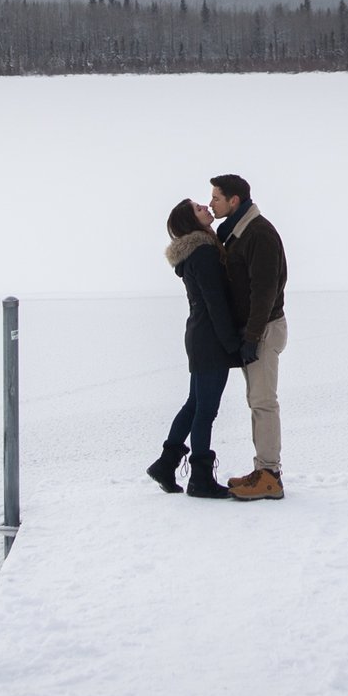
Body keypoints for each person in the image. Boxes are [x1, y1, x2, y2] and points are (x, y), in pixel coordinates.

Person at [147, 198, 244, 499]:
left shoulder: (199, 250)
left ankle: (166, 464)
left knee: (194, 403)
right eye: (198, 208)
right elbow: (216, 303)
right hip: (210, 339)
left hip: (201, 336)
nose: (205, 207)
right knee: (205, 410)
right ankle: (200, 479)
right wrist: (232, 343)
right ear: (191, 221)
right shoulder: (203, 252)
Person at [207, 172, 287, 499]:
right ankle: (262, 471)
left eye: (216, 198)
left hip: (264, 329)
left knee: (264, 402)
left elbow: (265, 290)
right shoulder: (239, 232)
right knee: (257, 401)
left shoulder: (258, 234)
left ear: (234, 200)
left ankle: (270, 475)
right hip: (256, 329)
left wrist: (253, 336)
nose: (211, 203)